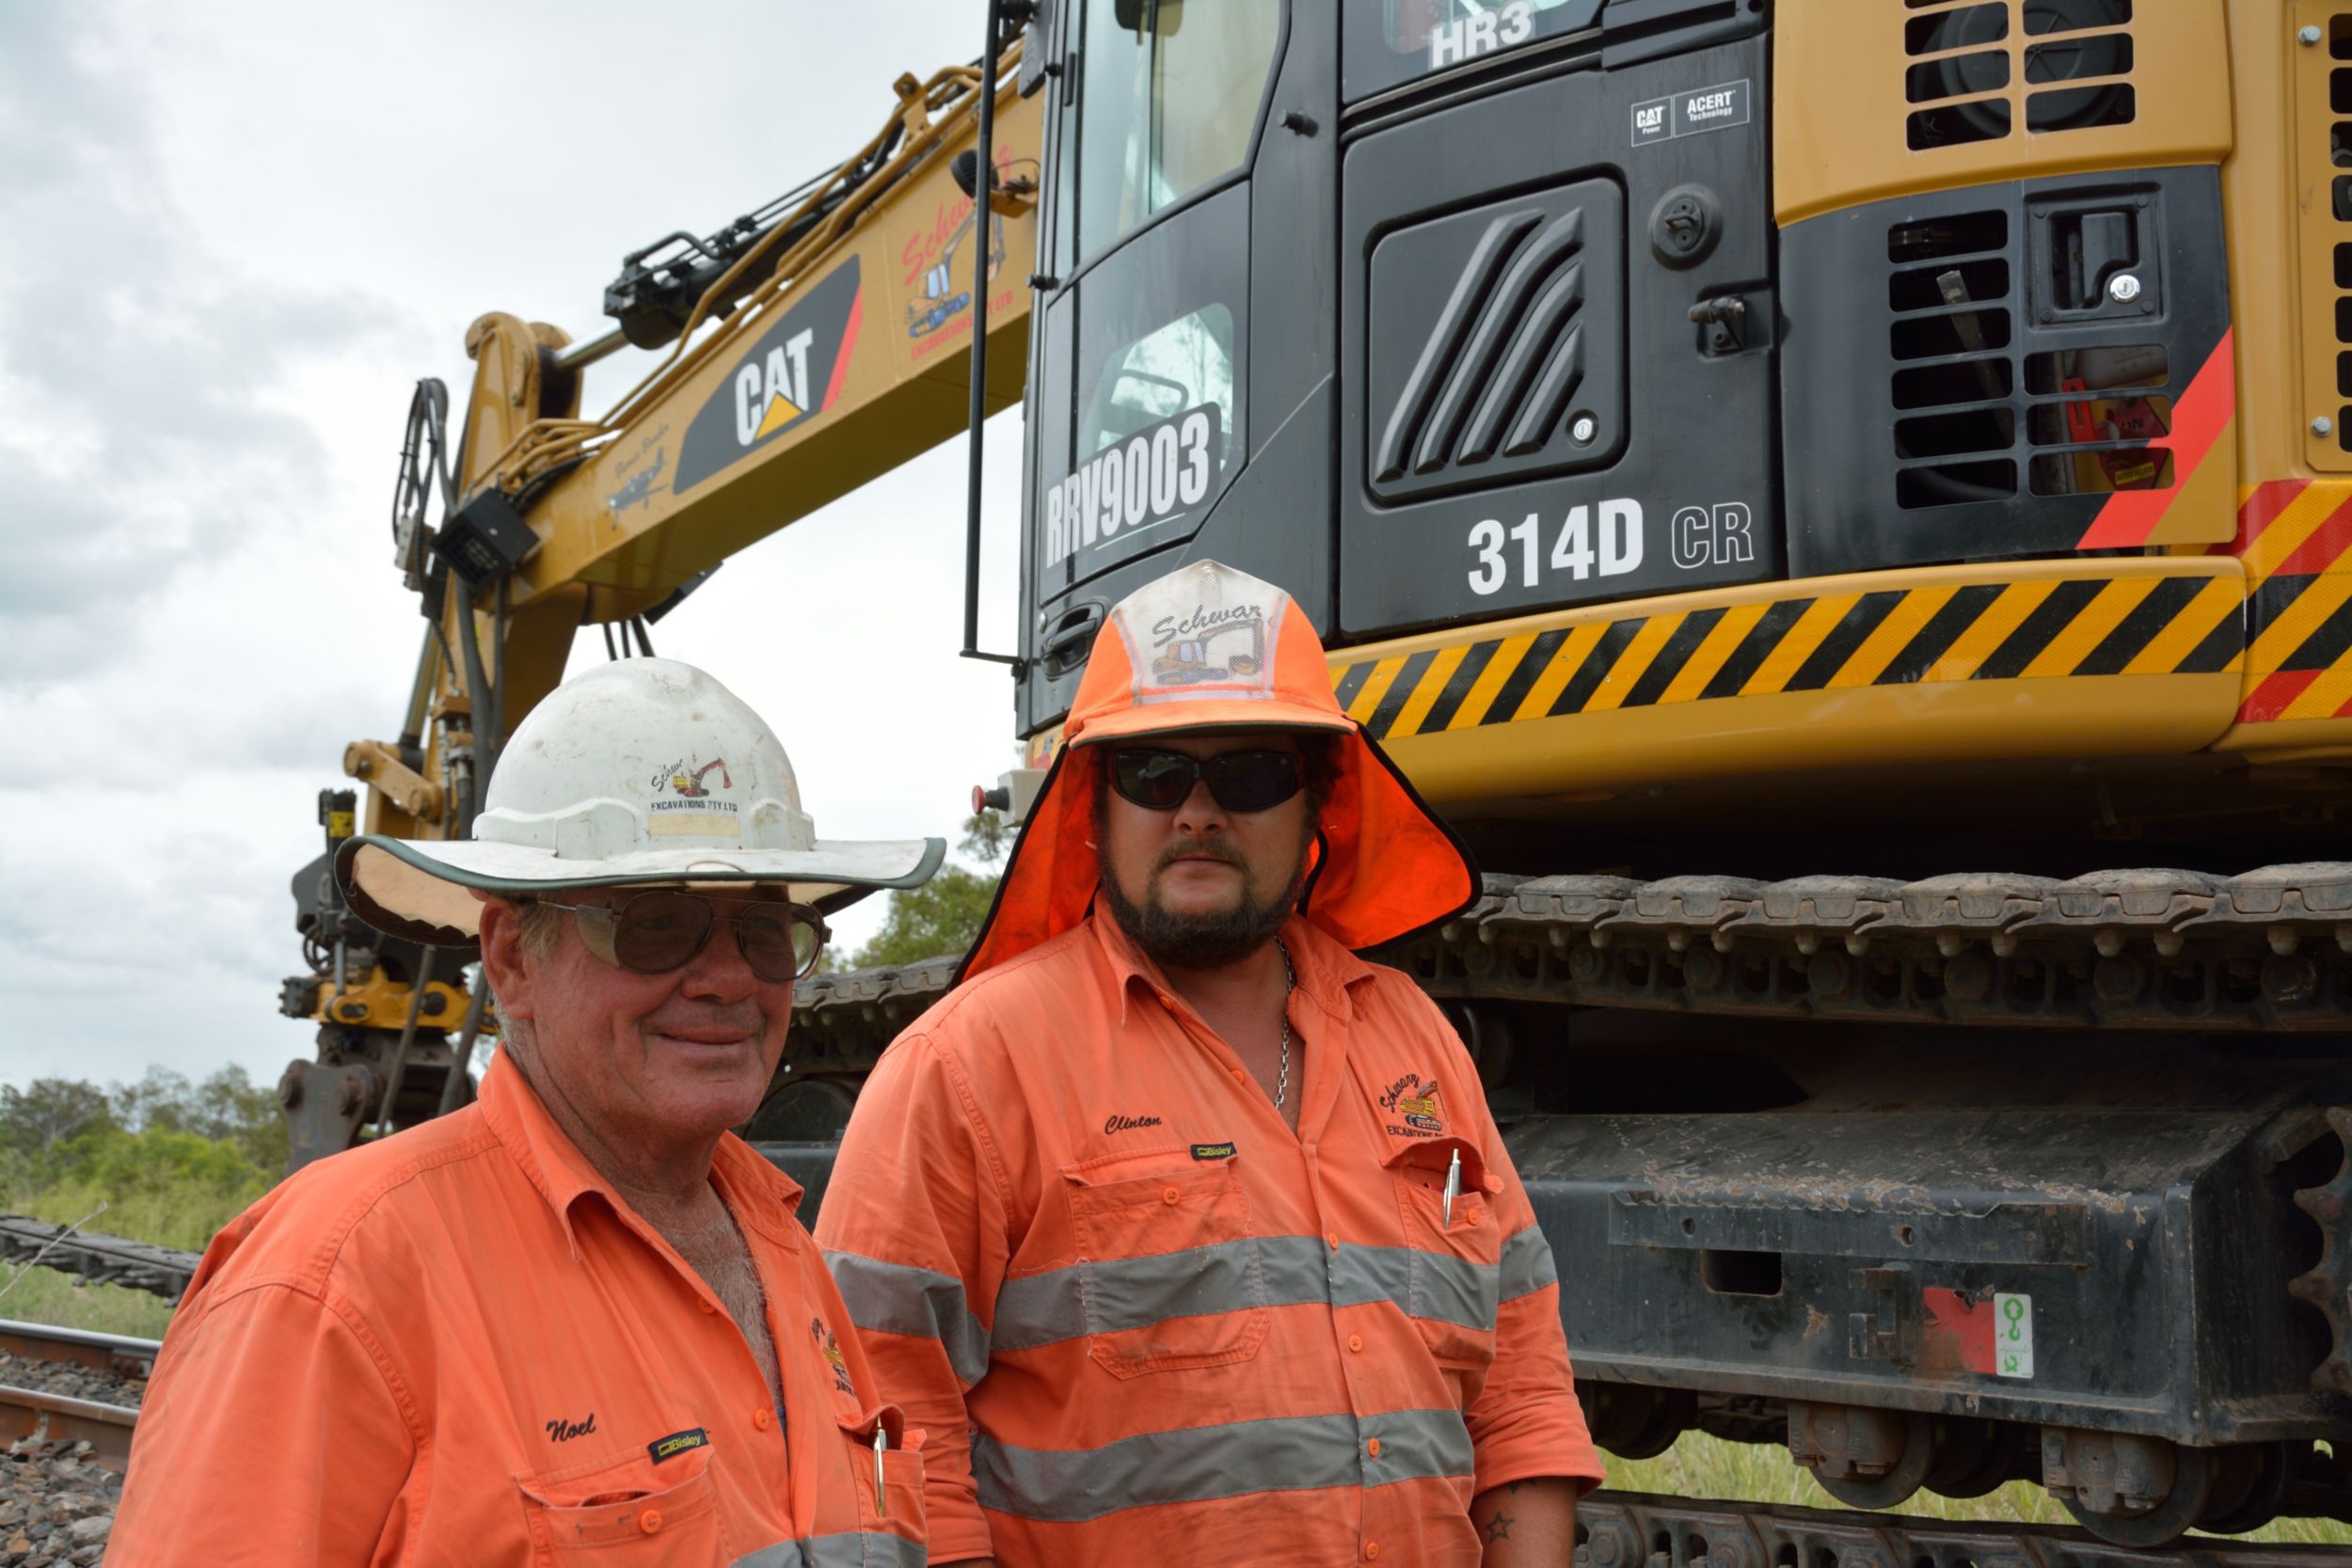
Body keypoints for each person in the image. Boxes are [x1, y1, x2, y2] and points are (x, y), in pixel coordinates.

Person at [818, 562, 1603, 1567]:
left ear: (1320, 798)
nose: (1196, 810)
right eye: (1152, 771)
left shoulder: (1414, 1037)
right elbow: (882, 1435)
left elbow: (1523, 1387)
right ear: (1091, 805)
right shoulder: (969, 1063)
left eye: (1249, 773)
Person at [111, 658, 942, 1567]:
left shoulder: (785, 1249)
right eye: (655, 925)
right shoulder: (333, 1281)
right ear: (511, 957)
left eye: (762, 930)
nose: (730, 978)